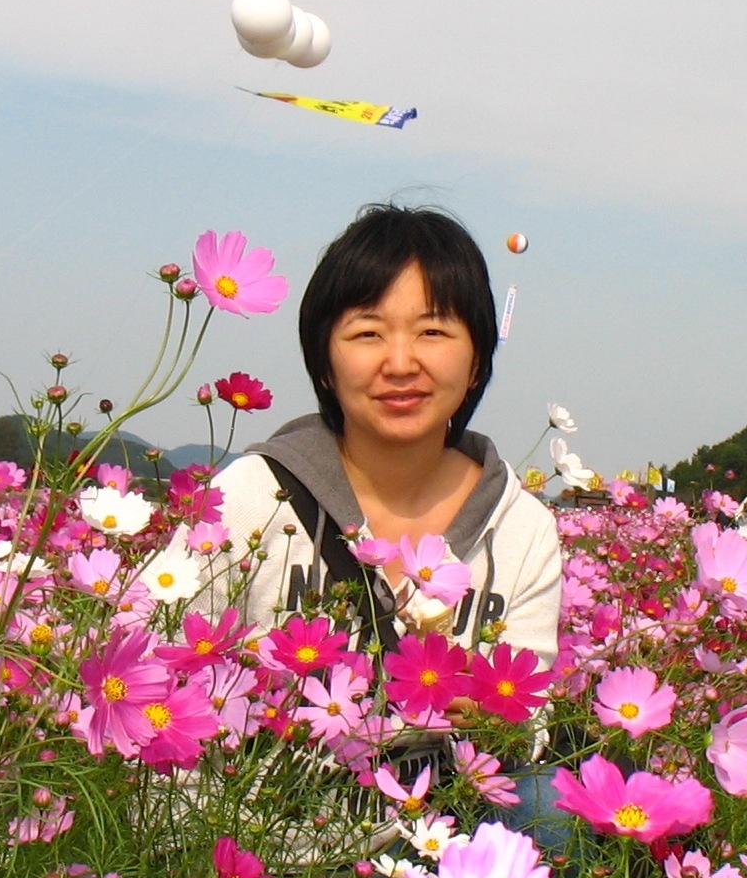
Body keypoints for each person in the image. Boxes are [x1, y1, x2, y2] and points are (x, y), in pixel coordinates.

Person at [200, 203, 563, 660]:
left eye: (432, 332)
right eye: (368, 334)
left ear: (476, 361)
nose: (400, 364)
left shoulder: (522, 532)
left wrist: (476, 701)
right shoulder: (247, 498)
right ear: (324, 364)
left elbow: (529, 704)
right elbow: (164, 665)